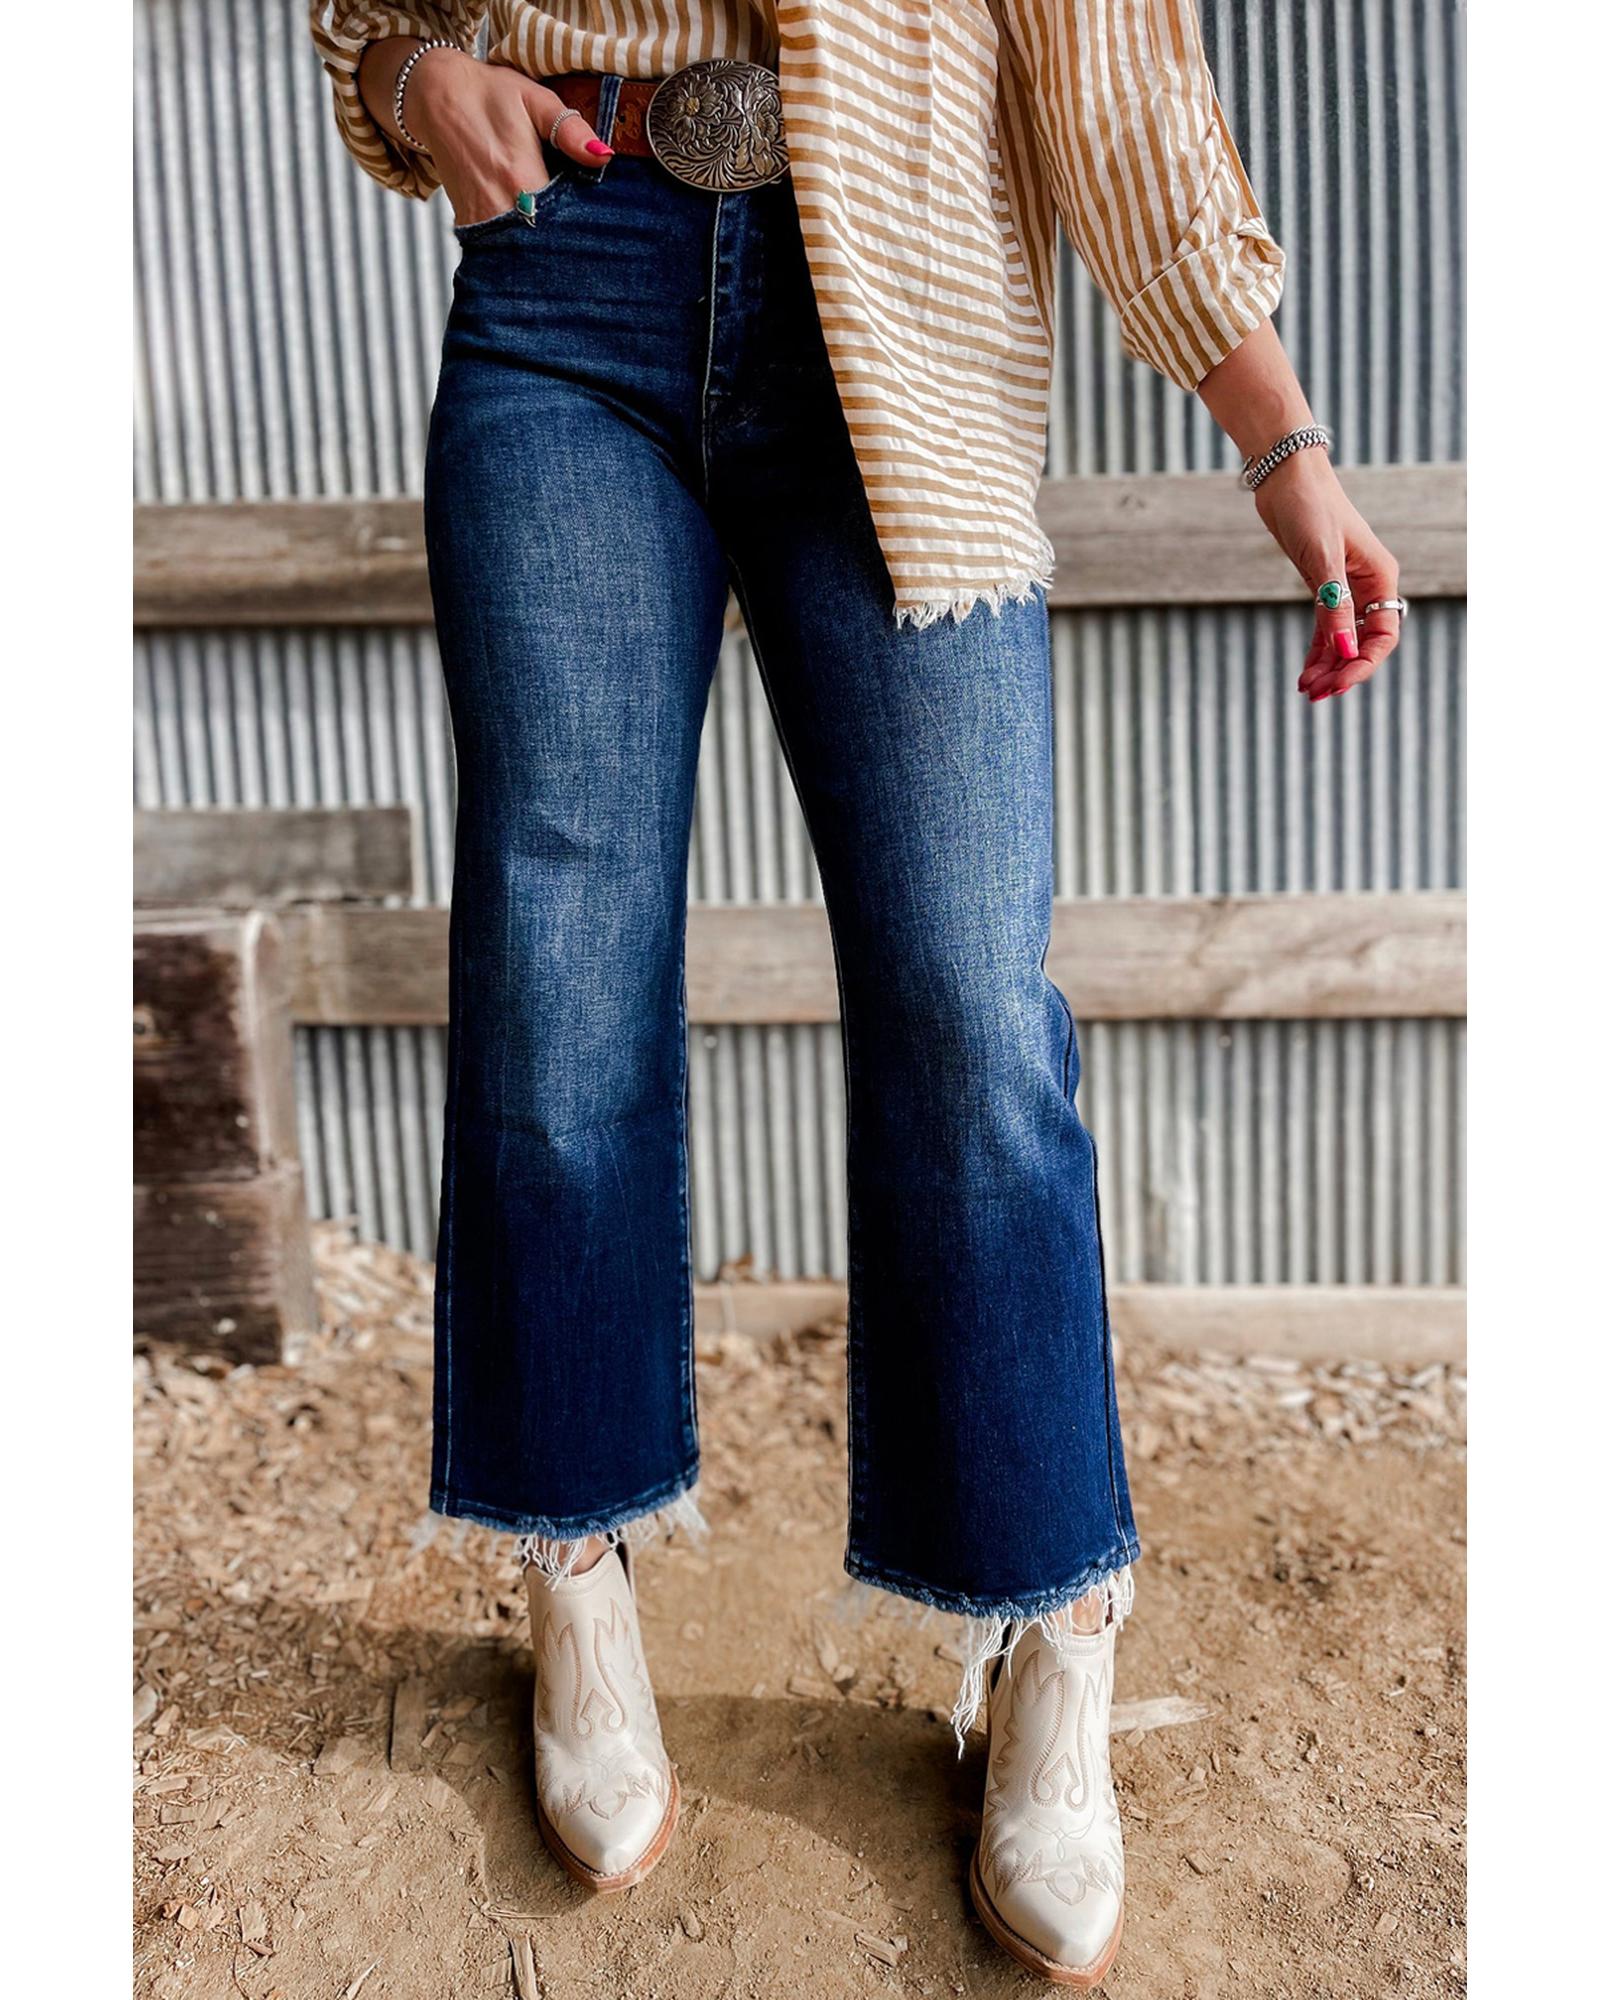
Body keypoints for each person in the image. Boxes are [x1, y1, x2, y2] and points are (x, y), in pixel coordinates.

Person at [309, 3, 1405, 1985]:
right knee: (557, 969)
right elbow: (373, 17)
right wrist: (409, 83)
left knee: (968, 999)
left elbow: (1108, 68)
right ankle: (574, 1559)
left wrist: (1282, 440)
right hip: (565, 284)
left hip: (898, 297)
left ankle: (1050, 1617)